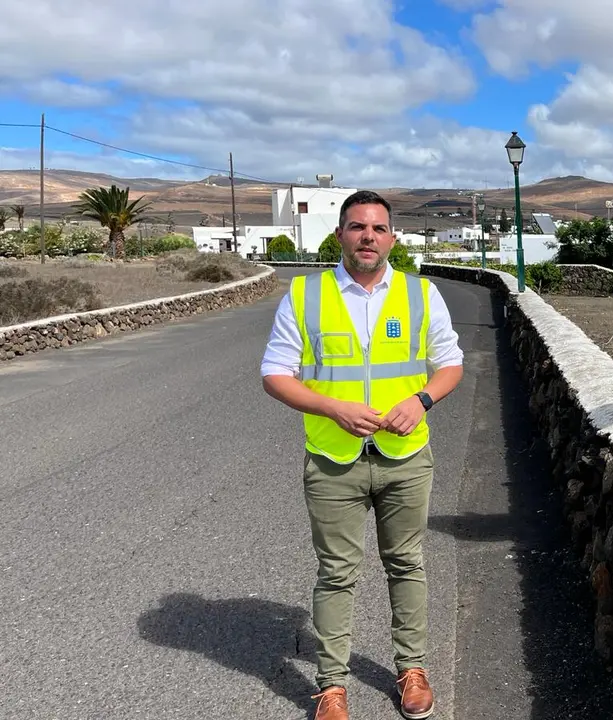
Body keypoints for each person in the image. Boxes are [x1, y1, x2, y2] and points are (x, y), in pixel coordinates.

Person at [261, 190, 463, 720]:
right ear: (340, 235)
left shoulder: (422, 295)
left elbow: (450, 365)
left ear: (392, 237)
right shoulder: (305, 295)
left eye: (377, 228)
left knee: (407, 563)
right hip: (334, 459)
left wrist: (421, 401)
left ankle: (412, 669)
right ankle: (331, 687)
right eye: (356, 227)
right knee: (336, 573)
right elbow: (275, 374)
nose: (367, 236)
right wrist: (332, 408)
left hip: (405, 456)